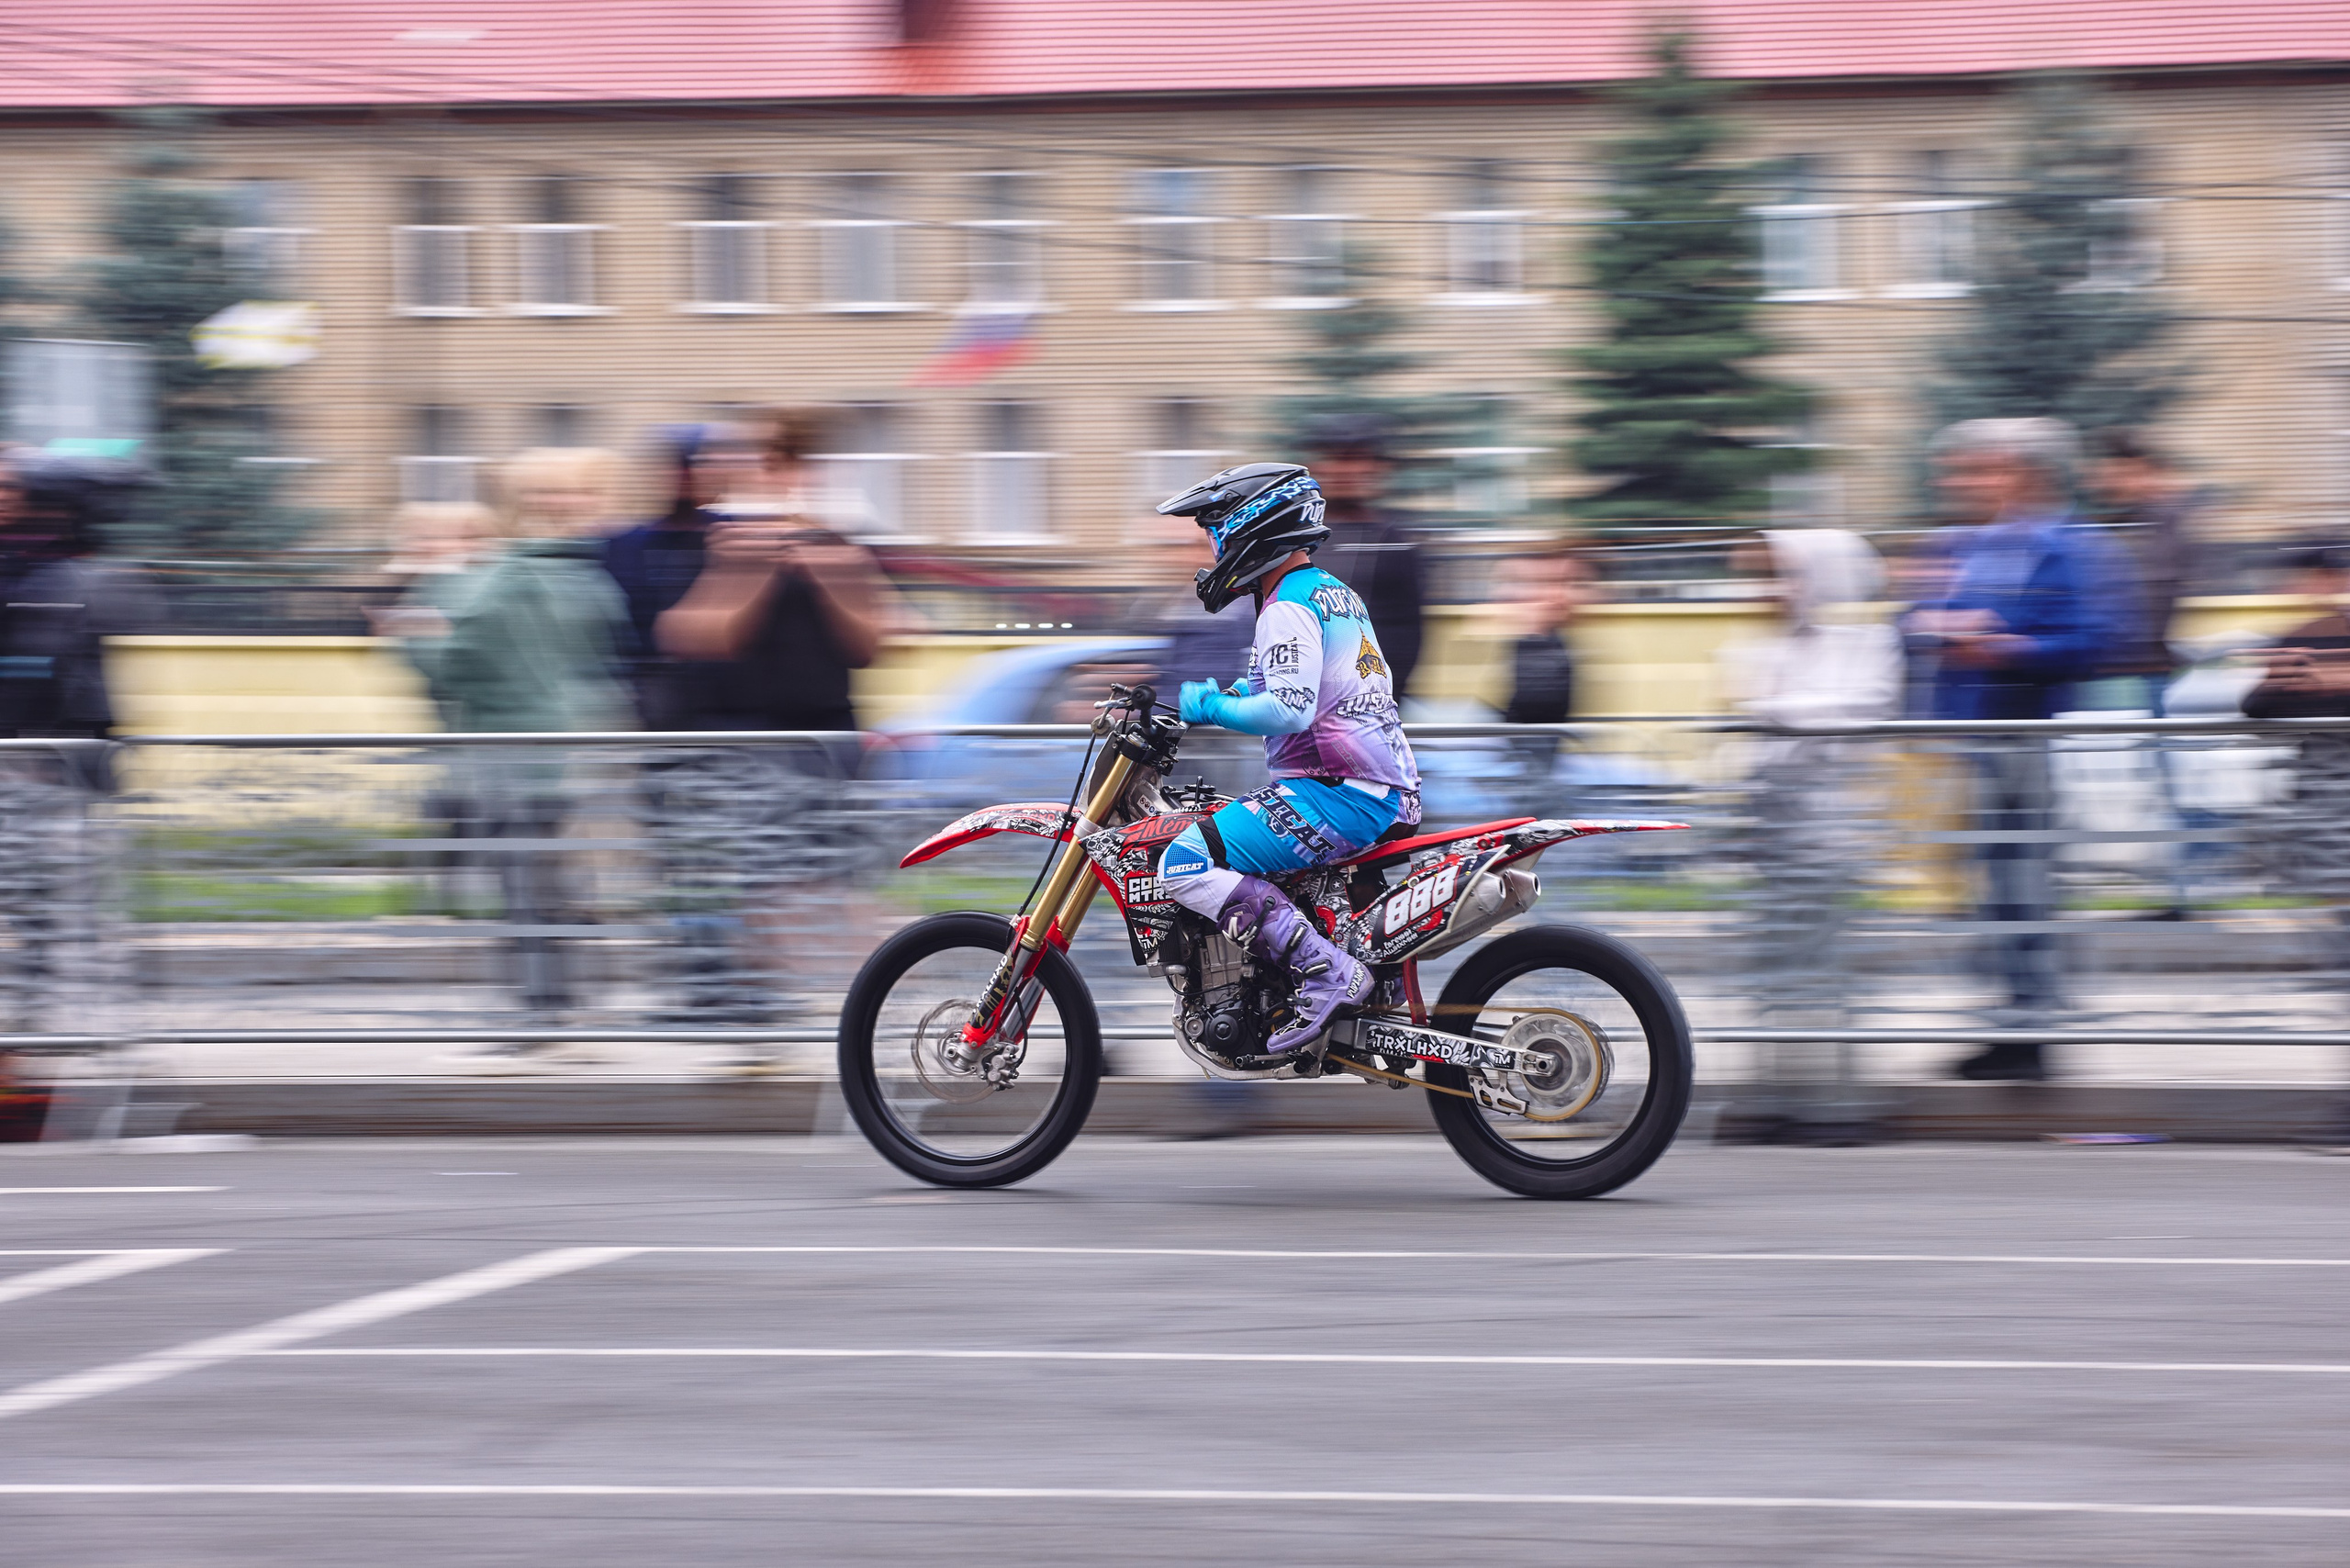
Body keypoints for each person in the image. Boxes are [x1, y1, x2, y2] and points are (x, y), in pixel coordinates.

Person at [1155, 461, 1421, 1056]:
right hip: (1377, 787)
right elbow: (1281, 685)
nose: (1213, 548)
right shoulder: (1328, 592)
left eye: (1215, 532)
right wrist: (1225, 697)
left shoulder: (1286, 607)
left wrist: (1213, 712)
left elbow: (1291, 709)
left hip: (1340, 791)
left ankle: (1325, 972)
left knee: (1184, 862)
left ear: (1252, 528)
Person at [1913, 418, 2130, 1082]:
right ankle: (2007, 1025)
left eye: (1980, 469)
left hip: (2029, 738)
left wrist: (2008, 648)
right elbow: (1915, 616)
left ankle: (2034, 1032)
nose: (1961, 483)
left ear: (2023, 473)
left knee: (2027, 888)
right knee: (1988, 891)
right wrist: (1929, 623)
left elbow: (2095, 641)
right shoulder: (1963, 546)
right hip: (1970, 740)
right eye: (1961, 470)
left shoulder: (2067, 545)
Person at [401, 447, 635, 1030]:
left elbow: (449, 662)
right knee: (547, 881)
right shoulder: (599, 569)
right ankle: (560, 997)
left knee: (528, 887)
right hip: (582, 748)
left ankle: (547, 1008)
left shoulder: (505, 574)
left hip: (522, 757)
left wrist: (415, 632)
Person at [652, 408, 894, 735]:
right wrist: (750, 571)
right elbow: (684, 639)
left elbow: (867, 649)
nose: (770, 475)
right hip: (737, 731)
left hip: (826, 729)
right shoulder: (710, 540)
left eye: (785, 462)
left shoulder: (834, 543)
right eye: (760, 461)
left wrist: (828, 579)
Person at [1301, 415, 1427, 701]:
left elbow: (1409, 635)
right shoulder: (1293, 536)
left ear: (1378, 467)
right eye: (1336, 458)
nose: (1346, 469)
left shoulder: (1396, 541)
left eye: (1357, 458)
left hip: (1367, 702)